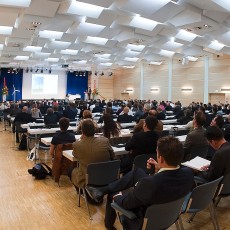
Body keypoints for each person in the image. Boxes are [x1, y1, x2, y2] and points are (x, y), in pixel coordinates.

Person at [86, 136, 194, 230]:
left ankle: (109, 225)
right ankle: (103, 189)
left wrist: (118, 196)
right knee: (137, 172)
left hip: (145, 222)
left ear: (160, 158)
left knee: (112, 195)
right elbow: (166, 183)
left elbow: (127, 203)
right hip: (170, 216)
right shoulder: (189, 173)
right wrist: (158, 169)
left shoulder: (149, 183)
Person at [70, 119, 115, 189]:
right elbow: (113, 157)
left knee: (71, 170)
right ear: (95, 130)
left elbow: (75, 154)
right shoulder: (105, 141)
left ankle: (85, 192)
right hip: (107, 175)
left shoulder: (77, 145)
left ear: (82, 131)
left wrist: (82, 140)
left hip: (89, 178)